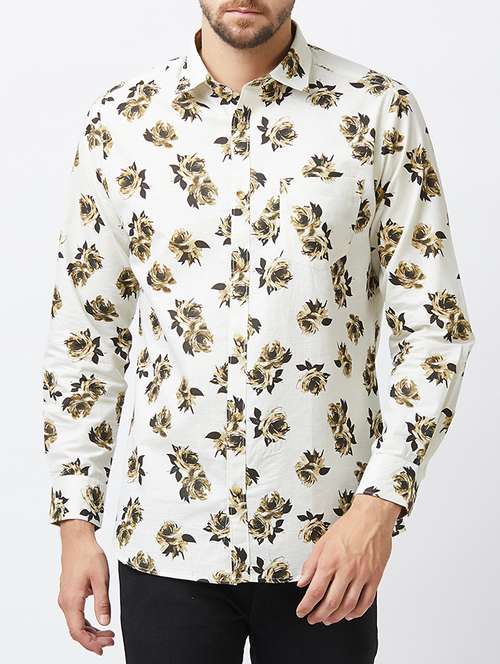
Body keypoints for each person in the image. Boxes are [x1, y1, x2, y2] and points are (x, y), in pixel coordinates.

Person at [41, 1, 475, 662]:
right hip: (167, 542)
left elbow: (435, 328)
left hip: (327, 550)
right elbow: (87, 333)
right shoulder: (122, 120)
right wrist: (76, 524)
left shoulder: (378, 111)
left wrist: (379, 509)